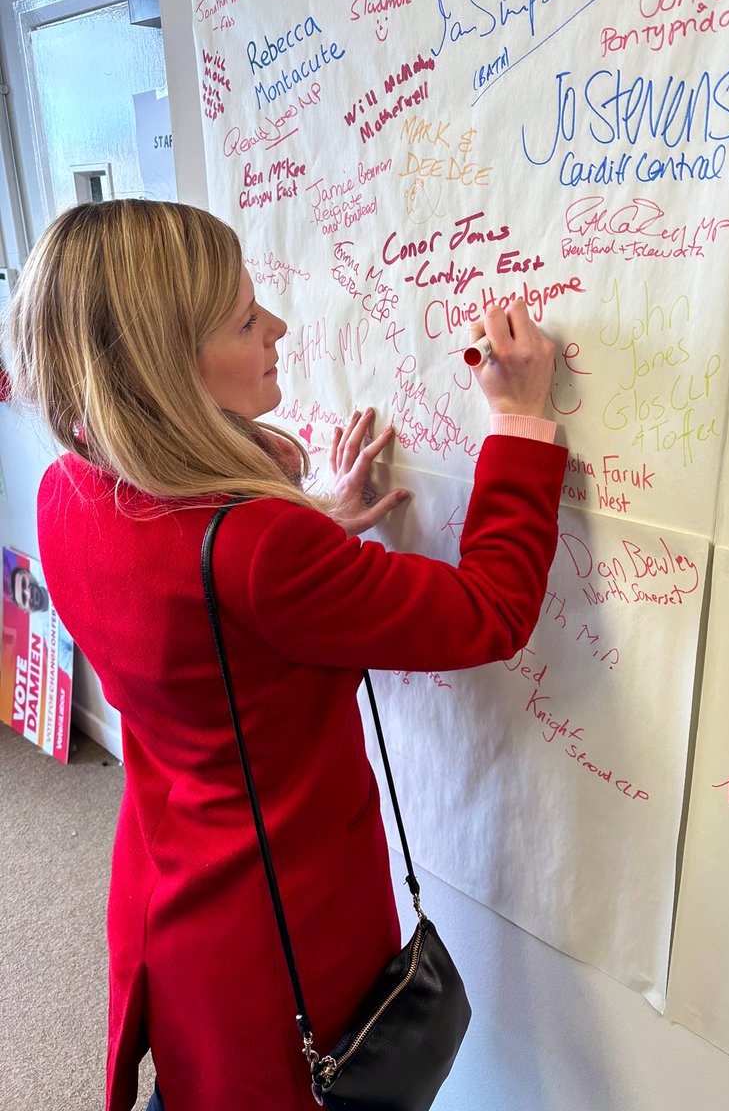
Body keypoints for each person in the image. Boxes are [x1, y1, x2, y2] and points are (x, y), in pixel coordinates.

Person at [6, 199, 567, 1111]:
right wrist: (516, 423)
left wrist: (311, 522)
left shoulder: (67, 489)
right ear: (162, 365)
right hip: (283, 930)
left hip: (176, 895)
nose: (276, 328)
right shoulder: (262, 551)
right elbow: (490, 612)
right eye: (242, 318)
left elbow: (192, 604)